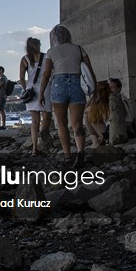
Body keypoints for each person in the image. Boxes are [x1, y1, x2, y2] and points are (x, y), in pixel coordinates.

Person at [39, 25, 98, 168]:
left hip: (59, 85)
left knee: (62, 124)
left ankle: (67, 156)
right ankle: (80, 152)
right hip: (77, 84)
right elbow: (89, 70)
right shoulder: (78, 48)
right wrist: (94, 89)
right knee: (77, 123)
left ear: (54, 38)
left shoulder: (51, 51)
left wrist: (41, 93)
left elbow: (46, 74)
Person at [19, 37, 52, 155]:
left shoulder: (25, 59)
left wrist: (25, 89)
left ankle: (34, 148)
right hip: (46, 87)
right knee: (47, 115)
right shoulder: (46, 57)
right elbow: (49, 73)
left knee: (35, 121)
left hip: (31, 90)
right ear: (38, 45)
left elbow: (22, 78)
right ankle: (44, 135)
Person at [85, 80, 111, 148]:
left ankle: (95, 142)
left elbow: (85, 110)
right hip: (124, 130)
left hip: (109, 134)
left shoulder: (97, 106)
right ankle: (98, 141)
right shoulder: (112, 99)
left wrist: (92, 97)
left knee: (89, 116)